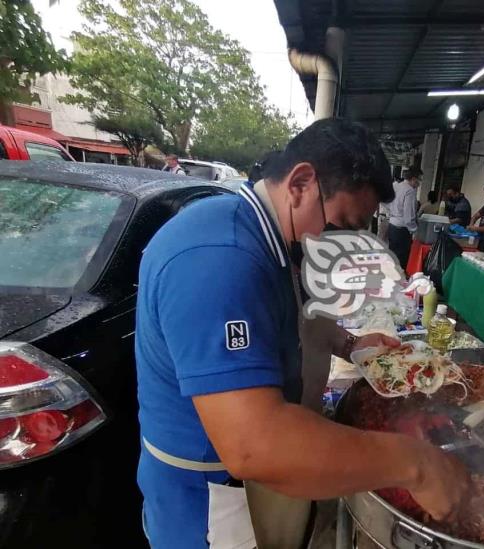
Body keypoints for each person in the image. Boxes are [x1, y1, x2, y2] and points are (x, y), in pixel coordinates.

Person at [135, 119, 467, 549]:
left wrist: (350, 344)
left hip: (260, 475)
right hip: (212, 499)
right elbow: (253, 444)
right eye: (339, 226)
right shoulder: (220, 261)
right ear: (300, 183)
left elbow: (296, 310)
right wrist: (416, 464)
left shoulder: (272, 233)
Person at [388, 167, 422, 269]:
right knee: (401, 259)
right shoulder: (410, 191)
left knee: (393, 256)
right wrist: (415, 230)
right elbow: (409, 217)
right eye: (419, 179)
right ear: (413, 178)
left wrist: (394, 212)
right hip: (402, 230)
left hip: (392, 225)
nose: (419, 183)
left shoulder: (396, 186)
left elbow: (386, 202)